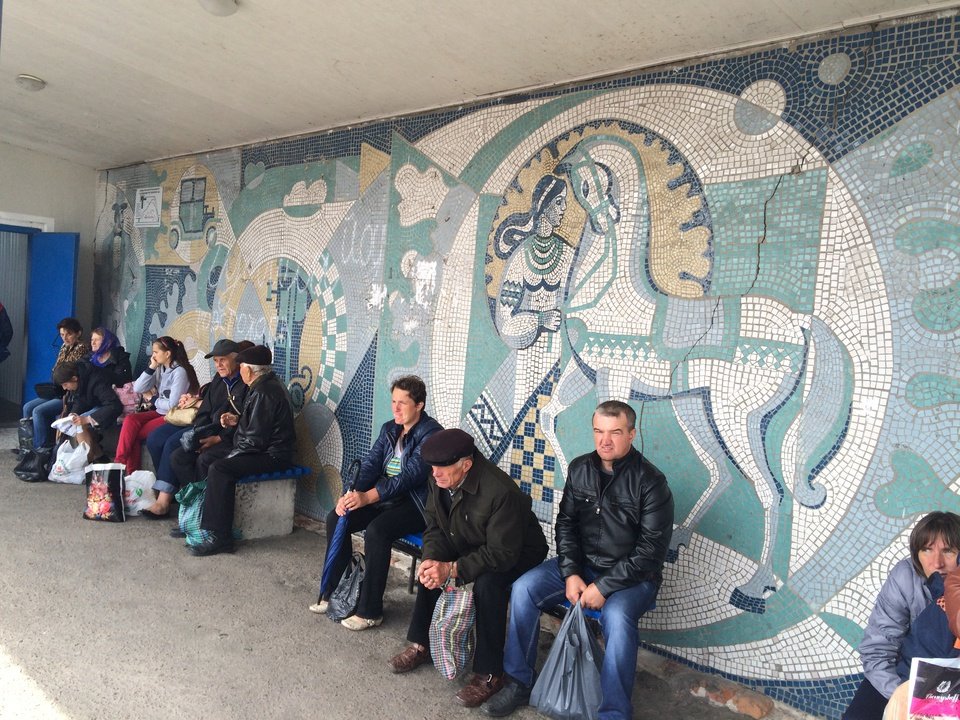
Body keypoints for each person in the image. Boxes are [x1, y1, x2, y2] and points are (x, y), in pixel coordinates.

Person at [481, 400, 674, 720]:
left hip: (633, 579)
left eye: (615, 432)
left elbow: (650, 553)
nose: (605, 440)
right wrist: (571, 573)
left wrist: (603, 586)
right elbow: (566, 525)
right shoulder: (580, 468)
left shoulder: (651, 482)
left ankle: (613, 713)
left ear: (631, 434)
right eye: (599, 431)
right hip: (582, 567)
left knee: (617, 618)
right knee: (524, 588)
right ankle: (519, 682)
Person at [389, 428, 548, 709]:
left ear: (466, 464)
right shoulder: (438, 478)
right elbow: (434, 526)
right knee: (432, 568)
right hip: (470, 538)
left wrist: (452, 569)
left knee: (488, 584)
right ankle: (422, 645)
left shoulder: (500, 492)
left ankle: (490, 674)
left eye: (442, 467)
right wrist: (432, 559)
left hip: (516, 552)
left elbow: (501, 554)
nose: (435, 474)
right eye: (432, 467)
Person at [311, 375, 442, 629]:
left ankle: (370, 611)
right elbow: (370, 465)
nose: (396, 408)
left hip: (415, 504)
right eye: (393, 401)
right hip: (385, 499)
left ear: (419, 405)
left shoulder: (431, 435)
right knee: (336, 517)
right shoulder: (390, 429)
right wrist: (349, 495)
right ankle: (337, 593)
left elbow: (409, 477)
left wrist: (368, 497)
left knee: (377, 531)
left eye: (403, 403)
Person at [842, 511, 960, 720]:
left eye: (948, 551)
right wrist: (904, 699)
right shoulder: (905, 577)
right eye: (926, 550)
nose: (937, 563)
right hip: (902, 677)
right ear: (916, 554)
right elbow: (878, 650)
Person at [189, 344, 295, 557]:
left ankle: (220, 536)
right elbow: (258, 424)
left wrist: (231, 454)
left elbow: (255, 441)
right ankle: (199, 520)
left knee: (220, 468)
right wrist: (237, 420)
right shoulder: (263, 385)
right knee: (207, 459)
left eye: (241, 367)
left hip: (273, 455)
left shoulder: (264, 391)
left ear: (249, 370)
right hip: (263, 449)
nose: (240, 370)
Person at [144, 339, 248, 520]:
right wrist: (198, 432)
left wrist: (217, 438)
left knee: (175, 448)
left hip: (226, 437)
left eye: (223, 360)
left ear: (236, 360)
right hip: (207, 429)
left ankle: (169, 502)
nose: (218, 365)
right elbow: (205, 410)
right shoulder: (219, 380)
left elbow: (244, 421)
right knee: (156, 439)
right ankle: (185, 498)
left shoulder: (245, 383)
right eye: (216, 361)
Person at [114, 336, 199, 475]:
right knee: (130, 420)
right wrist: (151, 367)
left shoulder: (180, 372)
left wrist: (152, 399)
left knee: (133, 435)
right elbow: (138, 388)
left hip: (173, 415)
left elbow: (172, 405)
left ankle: (130, 472)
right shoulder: (160, 368)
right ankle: (119, 463)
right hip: (159, 411)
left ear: (167, 354)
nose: (153, 355)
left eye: (156, 352)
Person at [18, 317, 88, 450]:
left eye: (69, 334)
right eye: (62, 334)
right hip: (57, 390)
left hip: (68, 394)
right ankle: (27, 447)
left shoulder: (82, 348)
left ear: (78, 333)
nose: (65, 338)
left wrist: (58, 376)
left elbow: (65, 373)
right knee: (27, 407)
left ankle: (41, 448)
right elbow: (56, 371)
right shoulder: (64, 347)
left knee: (38, 411)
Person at [51, 360, 123, 462]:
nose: (64, 388)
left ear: (74, 378)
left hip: (118, 405)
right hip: (100, 404)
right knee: (77, 422)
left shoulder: (97, 380)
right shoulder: (81, 379)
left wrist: (88, 419)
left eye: (65, 384)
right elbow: (80, 399)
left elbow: (114, 405)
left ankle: (85, 461)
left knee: (80, 425)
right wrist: (73, 414)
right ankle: (100, 459)